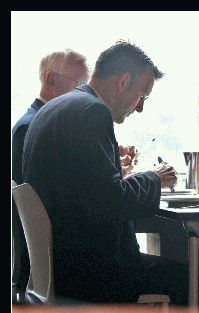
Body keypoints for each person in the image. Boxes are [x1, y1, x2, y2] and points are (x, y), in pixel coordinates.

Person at [21, 40, 199, 307]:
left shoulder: (56, 107)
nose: (140, 107)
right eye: (143, 95)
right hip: (96, 273)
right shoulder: (92, 112)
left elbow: (91, 191)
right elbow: (112, 202)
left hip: (62, 265)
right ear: (123, 81)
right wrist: (155, 177)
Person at [11, 49, 90, 300]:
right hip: (46, 260)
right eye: (79, 83)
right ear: (51, 80)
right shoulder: (30, 127)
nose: (83, 92)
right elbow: (51, 199)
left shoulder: (35, 121)